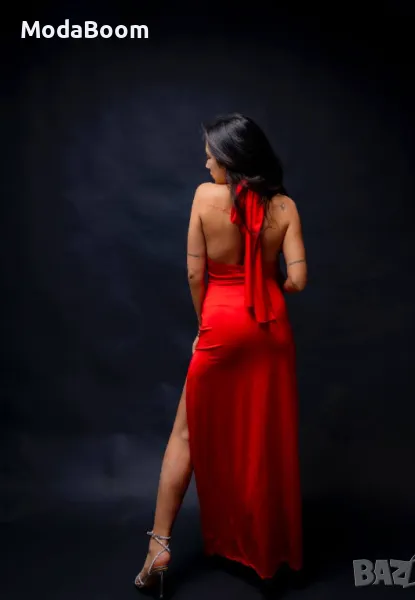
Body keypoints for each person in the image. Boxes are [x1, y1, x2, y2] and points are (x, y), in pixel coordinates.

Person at [134, 113, 307, 597]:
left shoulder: (203, 197)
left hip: (221, 323)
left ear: (231, 158)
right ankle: (264, 553)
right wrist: (268, 280)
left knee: (186, 435)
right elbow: (297, 279)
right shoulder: (285, 206)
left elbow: (195, 275)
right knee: (263, 436)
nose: (205, 160)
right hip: (270, 328)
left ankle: (159, 545)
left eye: (211, 153)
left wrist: (204, 325)